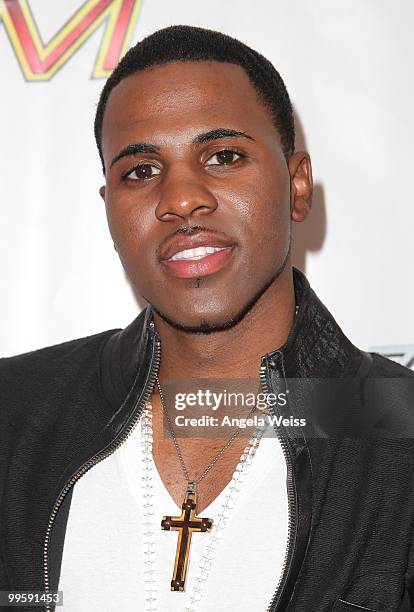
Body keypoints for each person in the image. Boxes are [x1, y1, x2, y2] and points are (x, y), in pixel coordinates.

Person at [1, 24, 414, 612]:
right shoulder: (15, 412)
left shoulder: (398, 427)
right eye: (141, 170)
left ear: (298, 186)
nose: (181, 198)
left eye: (223, 156)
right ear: (109, 210)